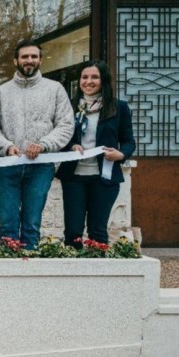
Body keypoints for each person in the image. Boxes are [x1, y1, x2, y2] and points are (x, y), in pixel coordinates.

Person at [0, 40, 73, 250]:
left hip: (41, 165)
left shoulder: (55, 89)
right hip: (8, 165)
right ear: (16, 60)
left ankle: (30, 263)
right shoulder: (1, 92)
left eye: (34, 56)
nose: (29, 60)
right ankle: (8, 263)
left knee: (32, 224)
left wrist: (44, 144)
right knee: (7, 224)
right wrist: (7, 146)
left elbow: (66, 125)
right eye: (25, 57)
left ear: (40, 60)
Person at [55, 60, 135, 247]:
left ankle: (98, 264)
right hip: (74, 177)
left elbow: (129, 142)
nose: (88, 81)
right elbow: (59, 138)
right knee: (73, 232)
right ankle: (72, 265)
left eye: (94, 77)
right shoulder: (68, 106)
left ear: (103, 80)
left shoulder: (119, 107)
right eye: (84, 77)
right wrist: (71, 146)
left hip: (104, 178)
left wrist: (121, 154)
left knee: (97, 231)